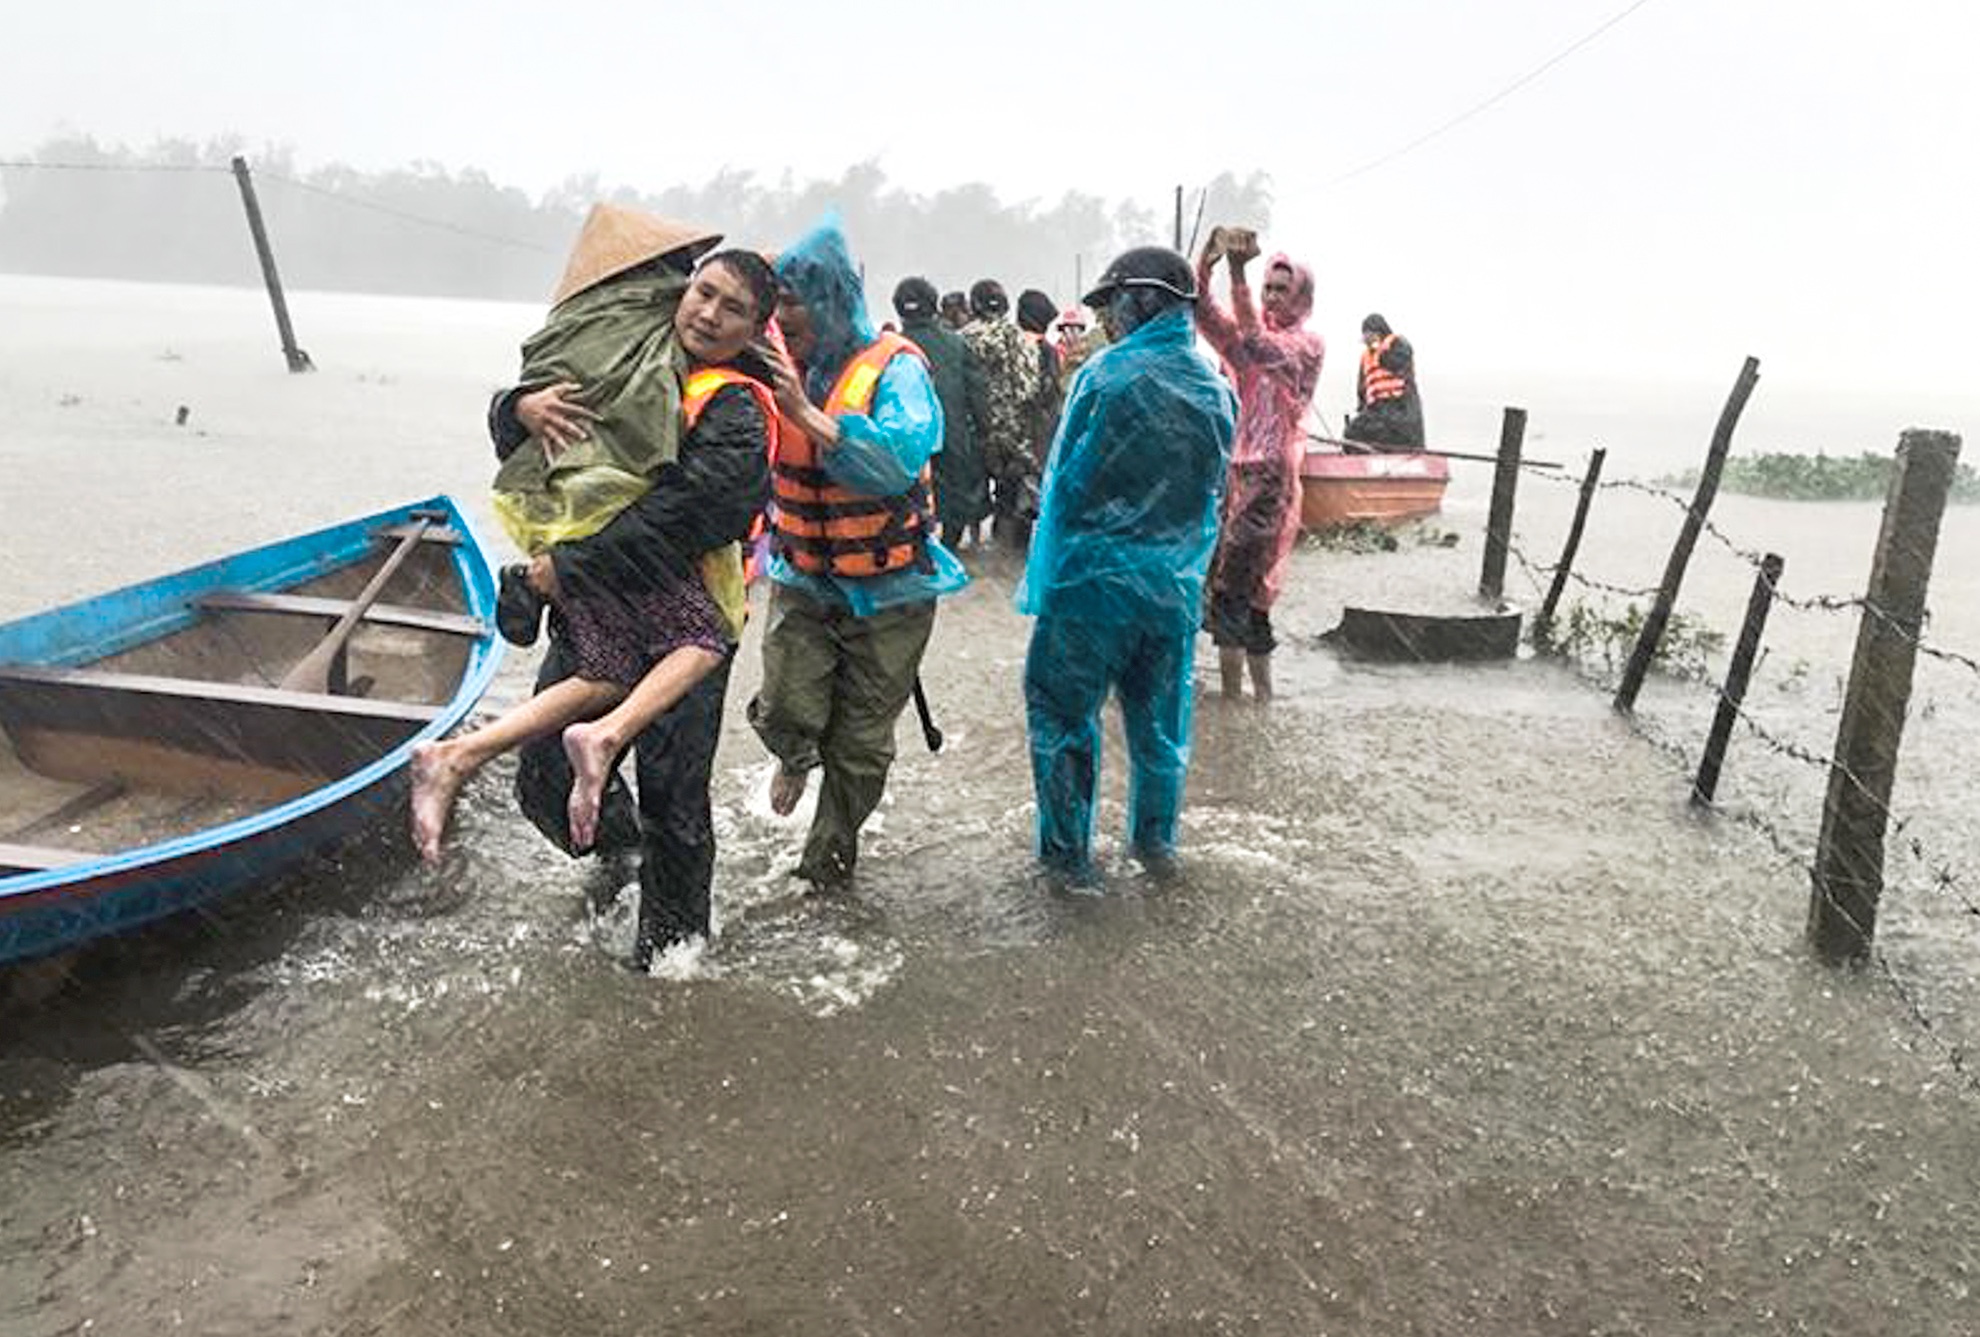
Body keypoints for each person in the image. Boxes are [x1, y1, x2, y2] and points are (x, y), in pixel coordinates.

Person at [415, 214, 777, 968]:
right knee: (543, 779)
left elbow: (694, 513)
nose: (708, 314)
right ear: (677, 292)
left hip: (684, 616)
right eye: (701, 294)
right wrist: (515, 407)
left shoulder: (735, 402)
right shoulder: (618, 352)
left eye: (731, 309)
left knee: (675, 797)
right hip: (590, 614)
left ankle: (670, 962)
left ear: (753, 329)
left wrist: (565, 569)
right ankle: (620, 855)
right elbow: (533, 447)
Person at [749, 217, 969, 891]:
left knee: (862, 743)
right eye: (775, 302)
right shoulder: (770, 361)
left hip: (893, 586)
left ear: (835, 299)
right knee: (787, 704)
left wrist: (808, 414)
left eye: (795, 301)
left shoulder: (895, 369)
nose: (783, 317)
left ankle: (826, 868)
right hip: (803, 575)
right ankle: (793, 754)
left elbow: (897, 460)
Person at [1017, 246, 1236, 882]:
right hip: (1171, 592)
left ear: (1141, 301)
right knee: (1160, 731)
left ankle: (1067, 866)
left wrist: (1046, 575)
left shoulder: (1103, 378)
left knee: (1061, 720)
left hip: (1091, 587)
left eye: (1111, 305)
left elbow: (1065, 483)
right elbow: (1215, 494)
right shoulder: (1215, 388)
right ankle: (1155, 849)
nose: (1107, 319)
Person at [1194, 226, 1325, 702]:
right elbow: (1204, 313)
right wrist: (1207, 263)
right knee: (1228, 584)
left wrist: (1236, 272)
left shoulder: (1304, 346)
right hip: (1234, 472)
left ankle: (1248, 703)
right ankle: (1243, 704)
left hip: (1270, 476)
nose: (1272, 297)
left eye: (1280, 289)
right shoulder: (1249, 342)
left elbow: (1255, 343)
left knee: (1243, 588)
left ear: (1301, 296)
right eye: (1267, 287)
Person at [894, 276, 991, 549]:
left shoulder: (887, 348)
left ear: (899, 309)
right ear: (934, 306)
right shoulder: (957, 345)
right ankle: (948, 550)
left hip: (906, 442)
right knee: (955, 502)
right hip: (952, 437)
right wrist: (984, 434)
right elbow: (978, 395)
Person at [959, 279, 1042, 552]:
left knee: (974, 487)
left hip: (975, 429)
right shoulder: (1018, 336)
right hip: (1013, 430)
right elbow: (1029, 387)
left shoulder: (964, 337)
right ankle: (1008, 550)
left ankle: (972, 545)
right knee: (1012, 490)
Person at [1015, 288, 1065, 516]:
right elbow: (1050, 393)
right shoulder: (1046, 350)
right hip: (1040, 434)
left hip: (1012, 437)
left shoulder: (1010, 345)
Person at [1346, 313, 1426, 450]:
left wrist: (1380, 349)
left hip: (1401, 408)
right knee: (1351, 433)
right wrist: (1362, 410)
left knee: (1403, 433)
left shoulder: (1398, 344)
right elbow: (1362, 391)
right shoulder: (1365, 358)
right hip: (1377, 411)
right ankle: (1366, 458)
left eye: (1371, 336)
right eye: (1366, 338)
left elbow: (1397, 363)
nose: (1368, 342)